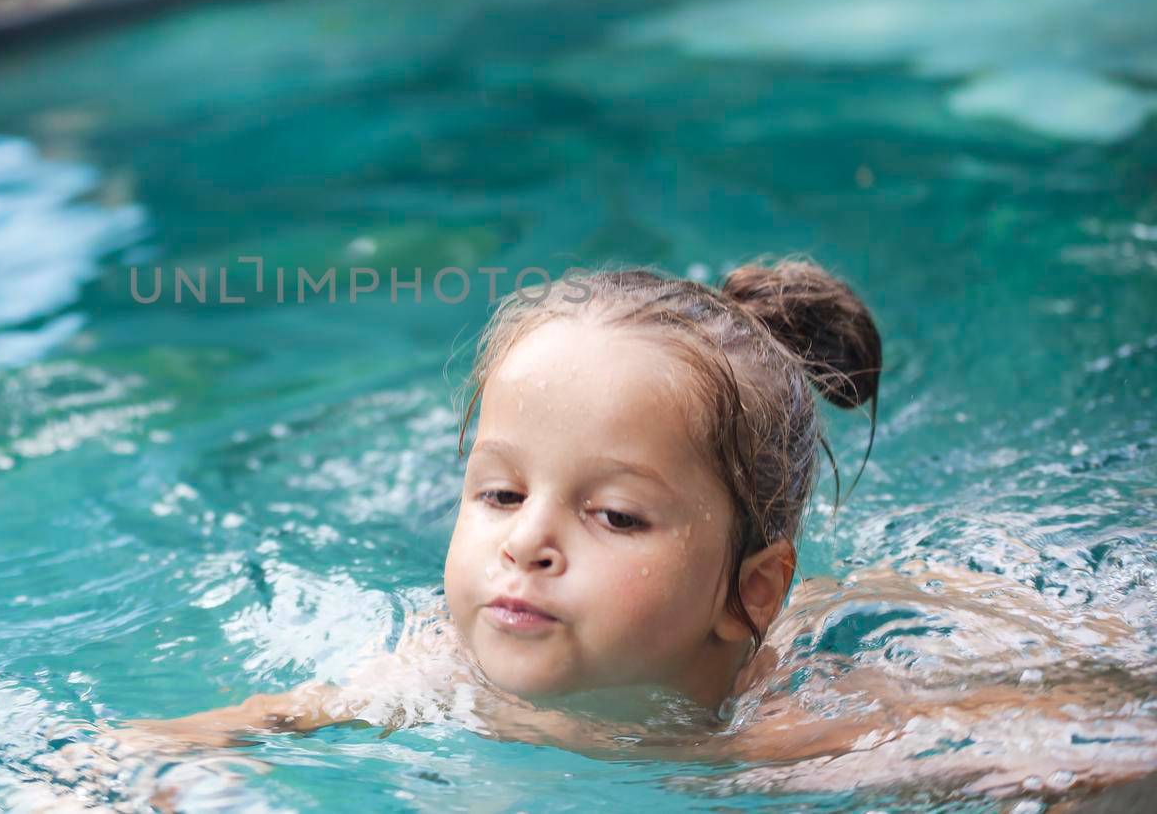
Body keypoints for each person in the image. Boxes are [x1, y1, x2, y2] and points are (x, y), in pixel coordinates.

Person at [59, 259, 1156, 804]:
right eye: (497, 493)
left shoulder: (790, 735)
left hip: (964, 623)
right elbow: (255, 720)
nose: (527, 542)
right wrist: (136, 762)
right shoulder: (436, 670)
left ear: (754, 588)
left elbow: (1076, 744)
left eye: (614, 513)